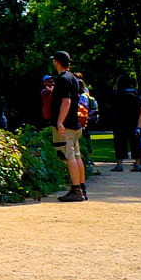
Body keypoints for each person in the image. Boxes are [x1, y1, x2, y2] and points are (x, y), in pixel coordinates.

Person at [51, 52, 90, 201]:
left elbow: (66, 101)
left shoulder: (63, 79)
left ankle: (76, 190)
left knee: (69, 156)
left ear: (57, 62)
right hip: (75, 124)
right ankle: (81, 187)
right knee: (77, 156)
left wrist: (60, 121)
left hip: (66, 125)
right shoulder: (73, 78)